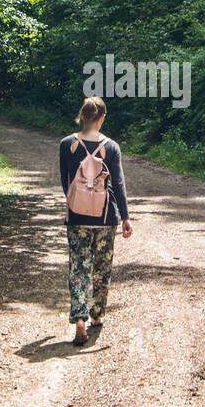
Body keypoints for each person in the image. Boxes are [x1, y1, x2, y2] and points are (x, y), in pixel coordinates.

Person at [60, 96, 133, 346]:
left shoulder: (66, 144)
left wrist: (78, 204)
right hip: (105, 218)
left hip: (77, 218)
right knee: (101, 268)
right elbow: (119, 186)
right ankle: (97, 315)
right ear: (101, 118)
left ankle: (79, 316)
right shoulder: (111, 147)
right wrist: (125, 217)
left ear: (81, 116)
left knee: (78, 266)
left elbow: (66, 183)